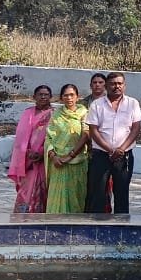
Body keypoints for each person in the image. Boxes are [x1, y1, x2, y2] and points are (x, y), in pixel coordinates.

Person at [84, 72, 141, 215]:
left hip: (124, 156)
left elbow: (135, 128)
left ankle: (121, 227)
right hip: (101, 155)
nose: (116, 86)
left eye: (119, 83)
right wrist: (110, 149)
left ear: (124, 85)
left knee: (122, 192)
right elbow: (93, 130)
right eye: (113, 84)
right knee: (98, 192)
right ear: (107, 86)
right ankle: (96, 226)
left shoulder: (132, 103)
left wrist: (121, 149)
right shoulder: (97, 105)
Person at [9, 85, 54, 214]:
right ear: (34, 97)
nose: (43, 97)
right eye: (40, 94)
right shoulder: (27, 113)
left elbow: (55, 137)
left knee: (44, 188)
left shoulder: (55, 115)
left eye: (46, 94)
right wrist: (27, 153)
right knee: (25, 189)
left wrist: (41, 153)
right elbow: (20, 138)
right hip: (27, 160)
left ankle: (40, 215)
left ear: (50, 97)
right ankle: (22, 216)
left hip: (45, 160)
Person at [45, 83, 89, 213]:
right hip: (58, 163)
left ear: (77, 97)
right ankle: (54, 224)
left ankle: (73, 225)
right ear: (61, 98)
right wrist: (54, 156)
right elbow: (48, 137)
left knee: (76, 196)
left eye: (72, 95)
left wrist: (70, 156)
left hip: (77, 161)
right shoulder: (56, 115)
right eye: (66, 95)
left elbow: (86, 135)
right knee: (57, 196)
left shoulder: (84, 113)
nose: (69, 98)